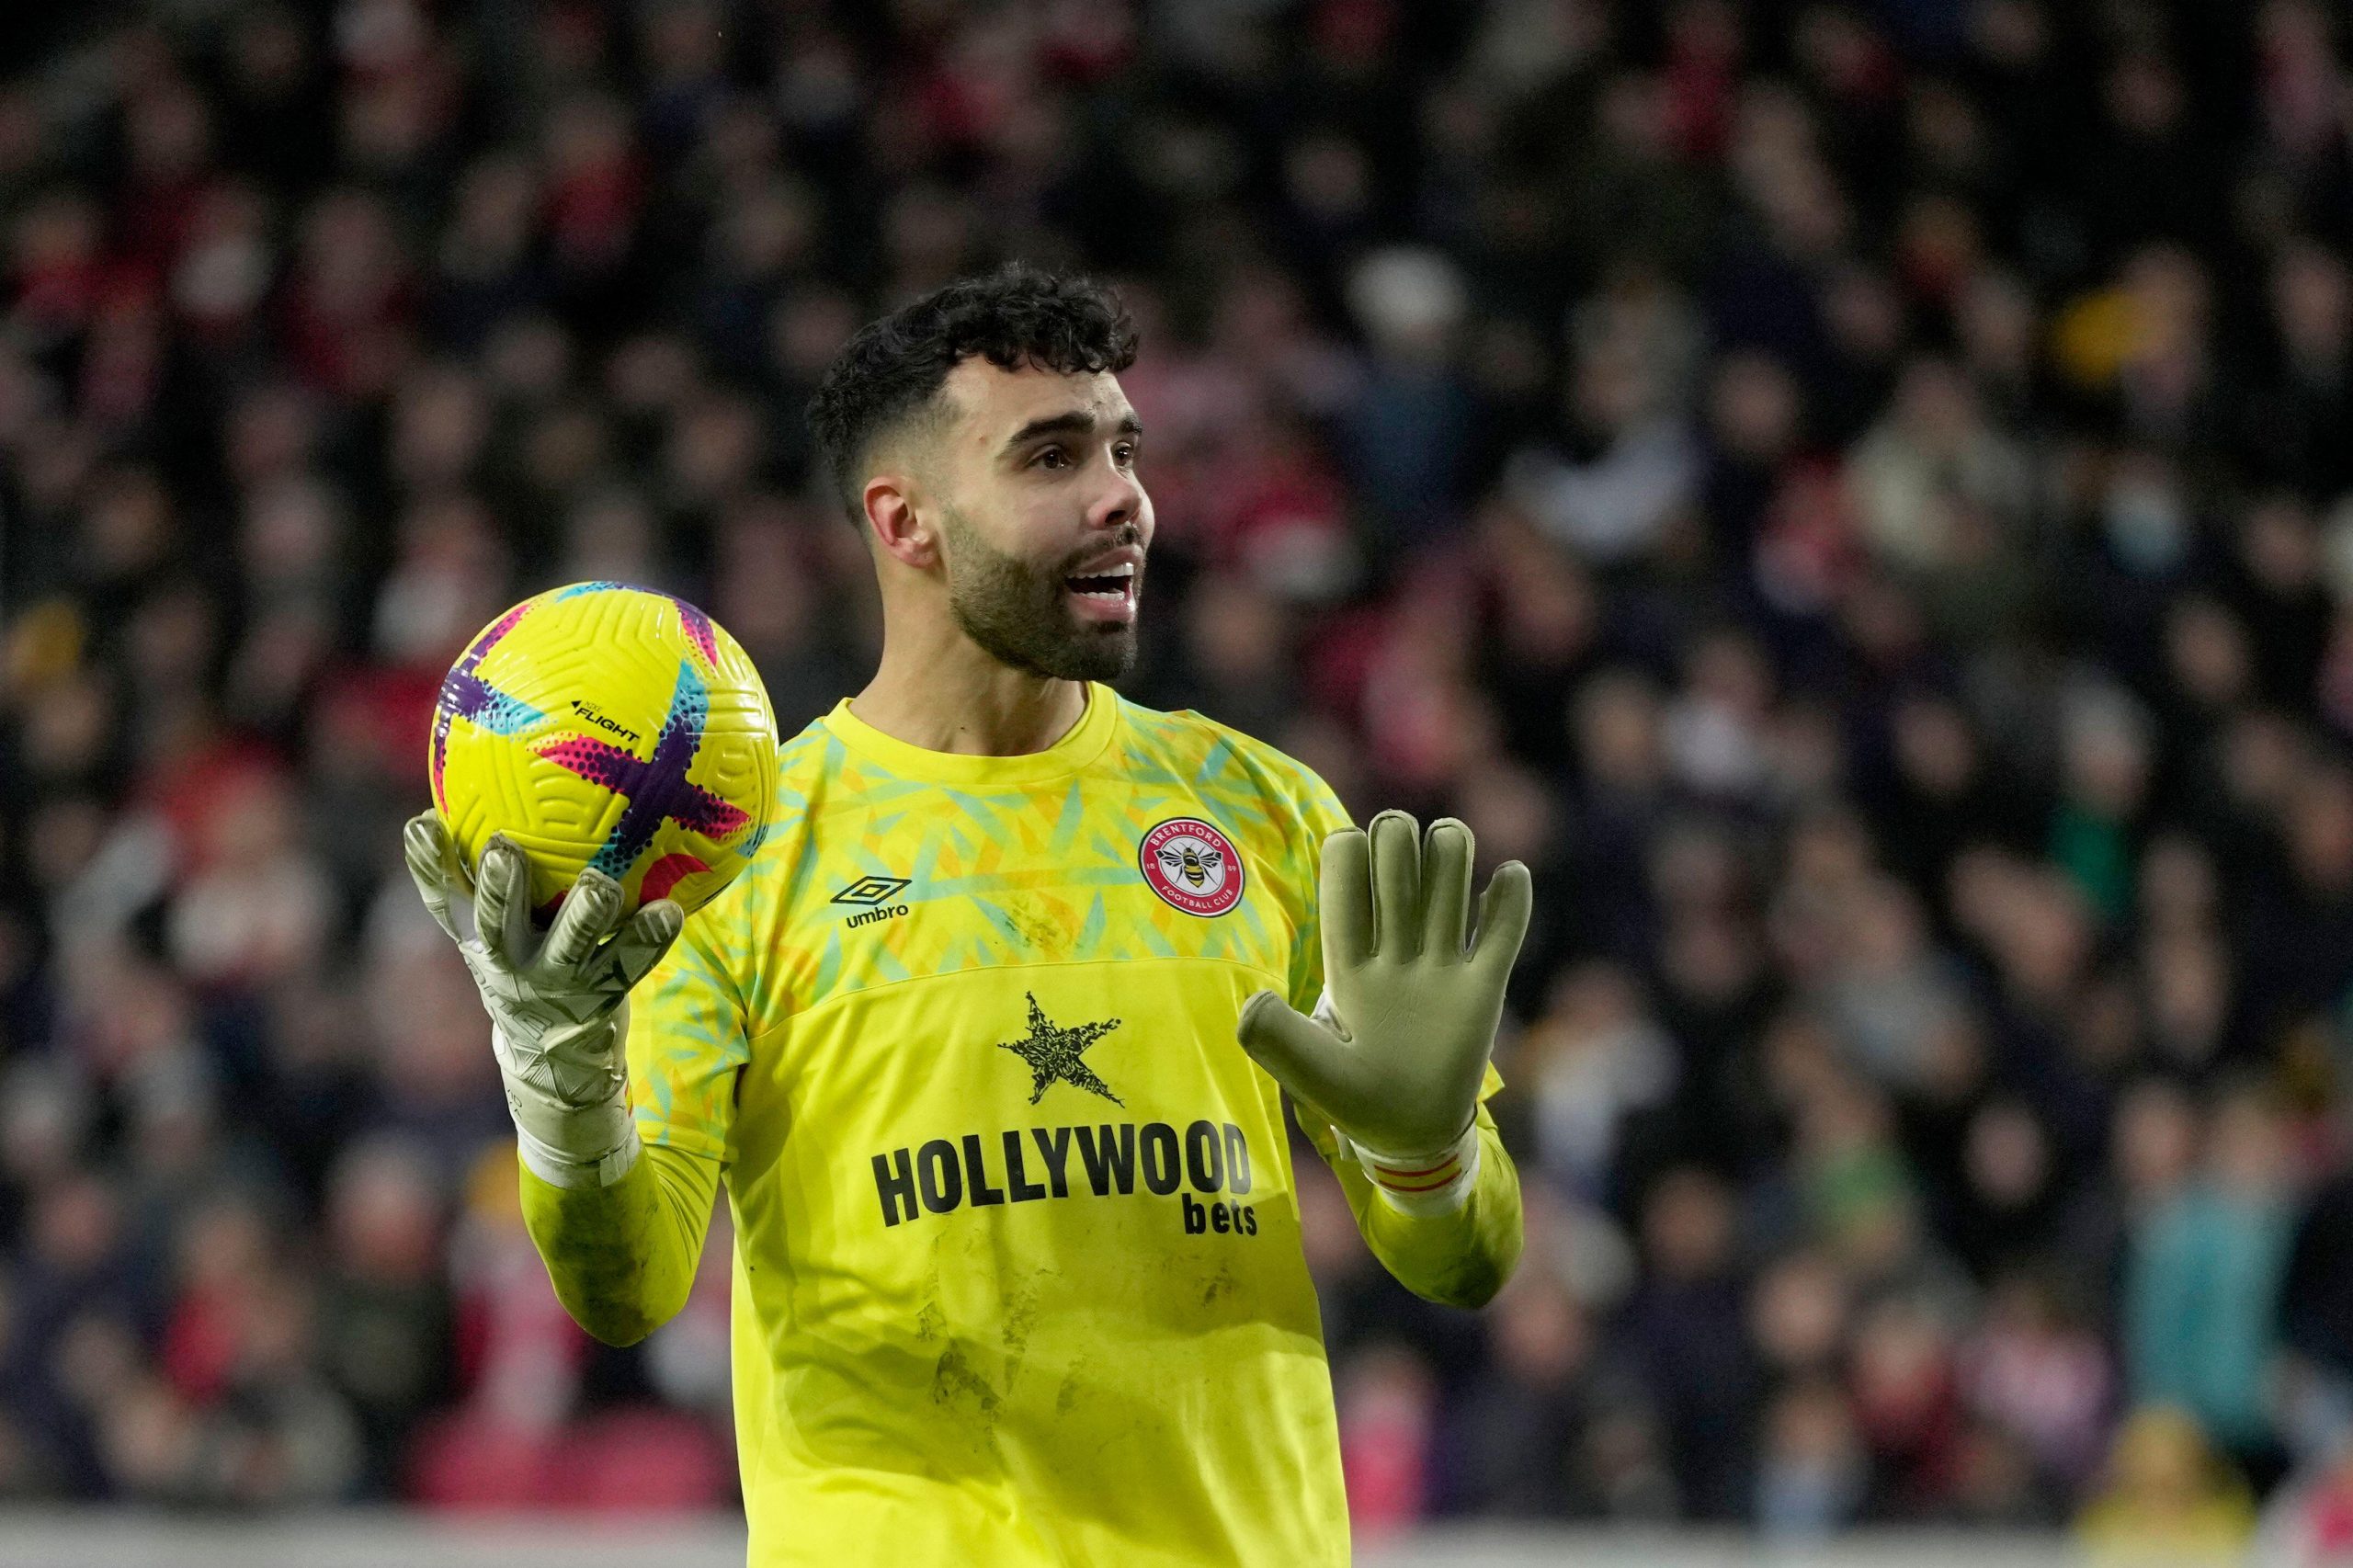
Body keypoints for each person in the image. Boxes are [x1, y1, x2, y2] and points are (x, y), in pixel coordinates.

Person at [400, 265, 1532, 1565]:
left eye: (1125, 448)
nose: (1126, 498)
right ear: (908, 523)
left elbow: (1468, 1264)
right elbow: (626, 1288)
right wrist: (560, 1077)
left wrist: (1428, 1159)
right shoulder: (750, 855)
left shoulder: (1261, 809)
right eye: (1053, 457)